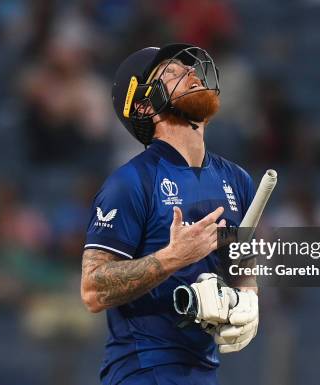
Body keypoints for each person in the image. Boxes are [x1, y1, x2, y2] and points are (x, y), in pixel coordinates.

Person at [80, 44, 259, 385]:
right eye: (173, 72)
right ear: (146, 105)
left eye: (188, 69)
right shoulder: (131, 181)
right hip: (142, 372)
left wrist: (249, 299)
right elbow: (92, 289)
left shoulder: (238, 180)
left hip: (205, 373)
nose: (191, 73)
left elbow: (240, 267)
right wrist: (171, 258)